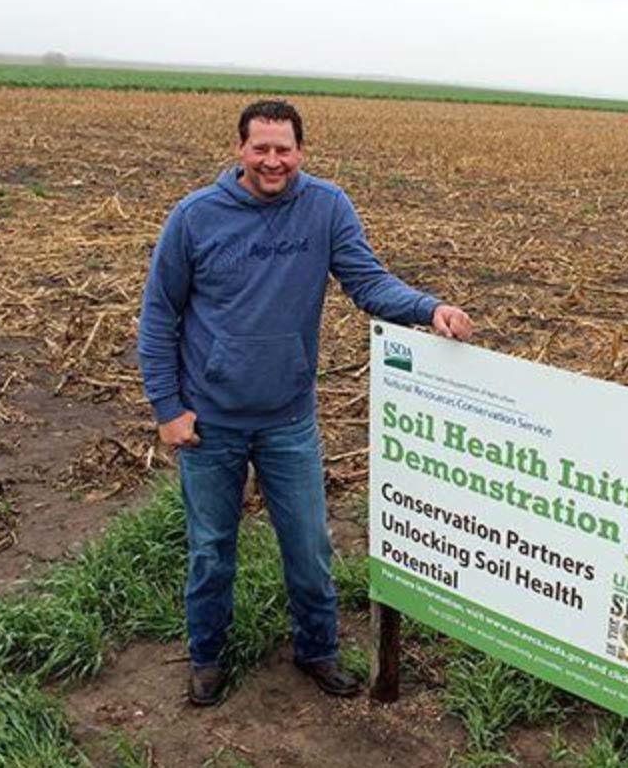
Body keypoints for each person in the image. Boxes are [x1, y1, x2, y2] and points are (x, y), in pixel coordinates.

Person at [137, 99, 473, 706]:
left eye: (284, 149)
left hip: (288, 417)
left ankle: (316, 650)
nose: (273, 160)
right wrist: (167, 406)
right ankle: (208, 656)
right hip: (209, 422)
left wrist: (430, 309)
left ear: (301, 151)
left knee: (310, 544)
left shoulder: (325, 208)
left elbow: (367, 282)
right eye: (260, 148)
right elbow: (159, 314)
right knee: (212, 549)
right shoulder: (195, 217)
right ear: (240, 149)